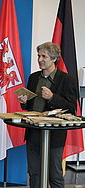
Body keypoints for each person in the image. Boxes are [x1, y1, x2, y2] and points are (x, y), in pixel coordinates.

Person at [17, 42, 78, 188]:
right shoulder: (33, 78)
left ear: (54, 58)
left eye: (44, 56)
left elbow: (71, 107)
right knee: (34, 173)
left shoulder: (67, 80)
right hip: (33, 132)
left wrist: (52, 97)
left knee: (54, 175)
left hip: (54, 134)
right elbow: (29, 106)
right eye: (39, 56)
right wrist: (24, 102)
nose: (40, 59)